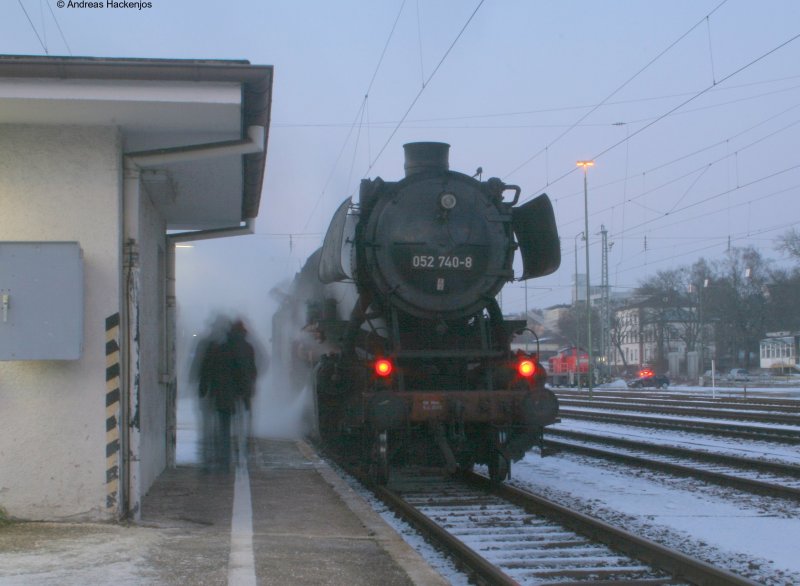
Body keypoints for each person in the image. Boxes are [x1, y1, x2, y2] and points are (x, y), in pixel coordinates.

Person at [198, 319, 258, 470]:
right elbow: (250, 372)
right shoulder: (247, 348)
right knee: (241, 426)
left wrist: (205, 388)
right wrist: (247, 391)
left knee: (223, 427)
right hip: (241, 392)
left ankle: (224, 460)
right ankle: (241, 455)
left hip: (222, 393)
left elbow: (209, 369)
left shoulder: (220, 347)